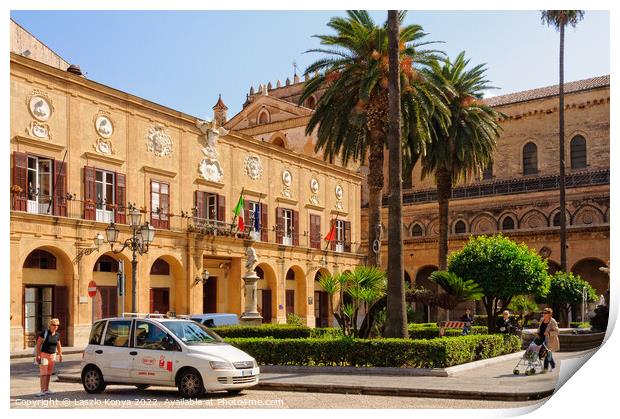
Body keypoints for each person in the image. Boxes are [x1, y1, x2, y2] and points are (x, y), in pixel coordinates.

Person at [35, 318, 63, 397]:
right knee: (43, 373)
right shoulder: (44, 333)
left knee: (48, 374)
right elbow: (38, 345)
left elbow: (59, 345)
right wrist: (38, 355)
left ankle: (47, 389)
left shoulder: (57, 335)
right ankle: (42, 390)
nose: (56, 326)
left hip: (52, 356)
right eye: (54, 325)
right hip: (44, 355)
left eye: (57, 325)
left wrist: (60, 355)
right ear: (50, 325)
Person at [539, 308, 560, 372]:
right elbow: (539, 328)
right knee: (547, 353)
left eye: (545, 313)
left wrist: (549, 333)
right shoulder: (541, 320)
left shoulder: (552, 321)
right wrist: (537, 333)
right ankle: (553, 365)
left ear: (549, 314)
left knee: (547, 353)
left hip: (550, 339)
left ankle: (545, 368)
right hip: (542, 338)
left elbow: (557, 331)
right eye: (543, 313)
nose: (544, 314)